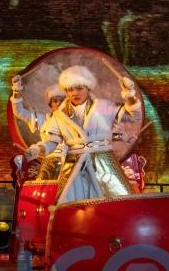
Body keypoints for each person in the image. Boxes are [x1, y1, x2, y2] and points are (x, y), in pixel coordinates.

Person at [37, 65, 142, 203]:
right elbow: (52, 140)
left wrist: (129, 94)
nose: (75, 93)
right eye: (70, 89)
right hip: (74, 166)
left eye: (79, 88)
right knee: (70, 207)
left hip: (103, 163)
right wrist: (38, 149)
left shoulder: (105, 106)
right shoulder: (59, 115)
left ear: (88, 88)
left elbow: (133, 115)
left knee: (119, 204)